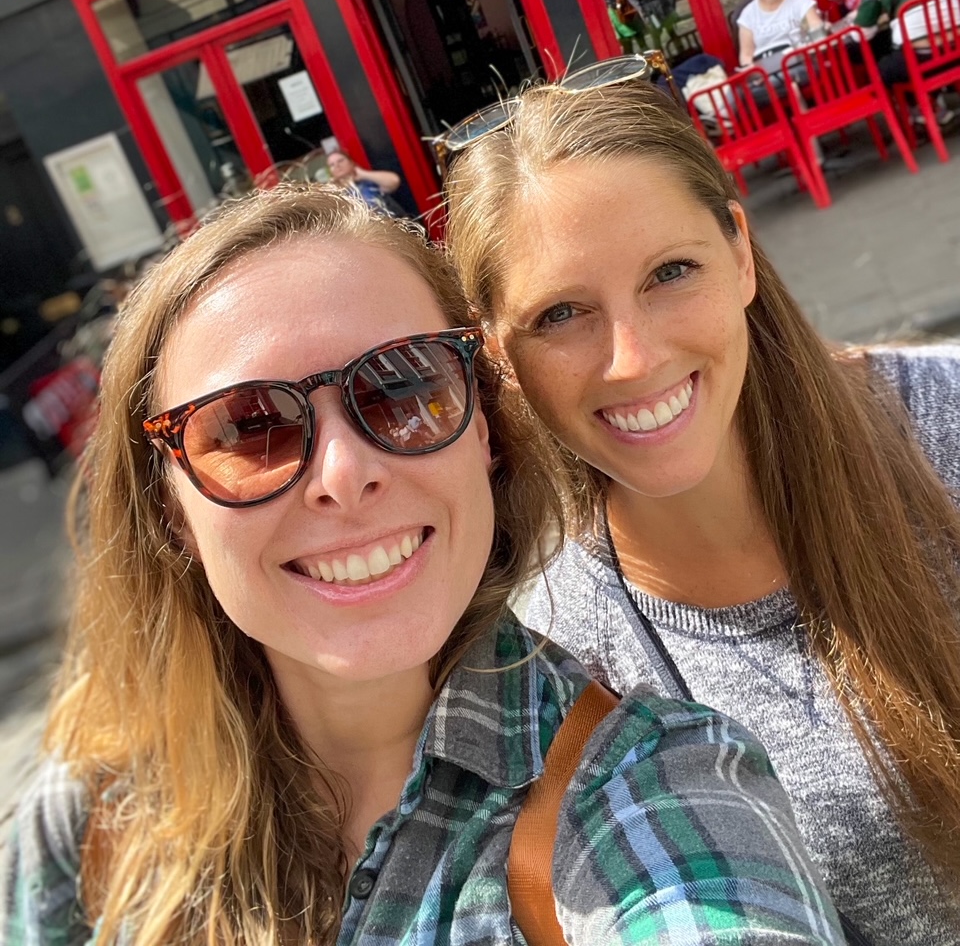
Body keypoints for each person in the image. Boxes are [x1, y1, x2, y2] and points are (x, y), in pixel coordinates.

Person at [2, 184, 845, 946]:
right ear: (171, 513)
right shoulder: (91, 823)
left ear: (483, 429)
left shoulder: (647, 788)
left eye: (401, 389)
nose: (344, 473)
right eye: (250, 427)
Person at [444, 81, 960, 945]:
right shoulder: (568, 655)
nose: (634, 357)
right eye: (561, 314)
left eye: (670, 273)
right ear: (500, 356)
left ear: (742, 255)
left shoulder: (942, 431)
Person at [855, 0, 960, 122]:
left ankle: (923, 111)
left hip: (922, 59)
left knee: (883, 69)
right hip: (957, 46)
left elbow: (862, 33)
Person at [327, 148, 403, 213]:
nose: (337, 165)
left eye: (340, 161)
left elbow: (394, 181)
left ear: (351, 162)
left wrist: (363, 174)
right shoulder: (335, 194)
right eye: (332, 165)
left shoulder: (368, 182)